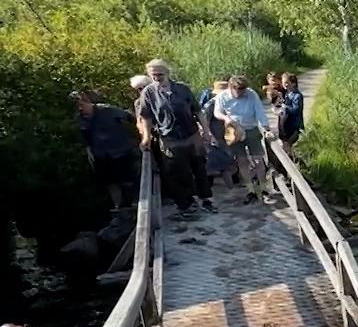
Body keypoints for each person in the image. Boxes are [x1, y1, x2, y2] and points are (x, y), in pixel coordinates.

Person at [134, 58, 214, 216]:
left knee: (199, 167)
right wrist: (146, 138)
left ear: (167, 73)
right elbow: (146, 117)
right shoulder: (148, 93)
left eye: (159, 74)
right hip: (169, 137)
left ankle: (206, 199)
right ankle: (186, 204)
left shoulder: (182, 88)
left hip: (191, 134)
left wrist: (206, 131)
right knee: (177, 171)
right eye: (153, 75)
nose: (157, 77)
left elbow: (197, 111)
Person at [213, 75, 273, 204]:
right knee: (242, 161)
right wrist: (226, 118)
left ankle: (263, 189)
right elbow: (217, 112)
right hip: (234, 132)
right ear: (231, 87)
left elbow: (260, 111)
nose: (241, 91)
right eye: (238, 89)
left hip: (250, 128)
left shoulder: (251, 94)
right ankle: (250, 190)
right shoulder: (222, 96)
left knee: (258, 160)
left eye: (243, 89)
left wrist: (266, 128)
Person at [75, 91, 139, 210]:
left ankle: (133, 205)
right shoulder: (80, 118)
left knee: (127, 179)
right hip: (101, 153)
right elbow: (85, 135)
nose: (80, 109)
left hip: (121, 150)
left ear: (88, 102)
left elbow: (131, 117)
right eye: (78, 107)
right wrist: (89, 149)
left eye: (82, 105)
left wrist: (140, 136)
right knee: (110, 182)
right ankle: (118, 207)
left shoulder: (108, 110)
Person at [277, 71, 305, 146]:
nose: (285, 85)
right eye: (284, 83)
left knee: (287, 146)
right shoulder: (286, 94)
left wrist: (285, 107)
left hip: (293, 127)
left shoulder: (297, 96)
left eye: (287, 83)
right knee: (286, 147)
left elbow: (296, 110)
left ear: (294, 83)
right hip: (285, 127)